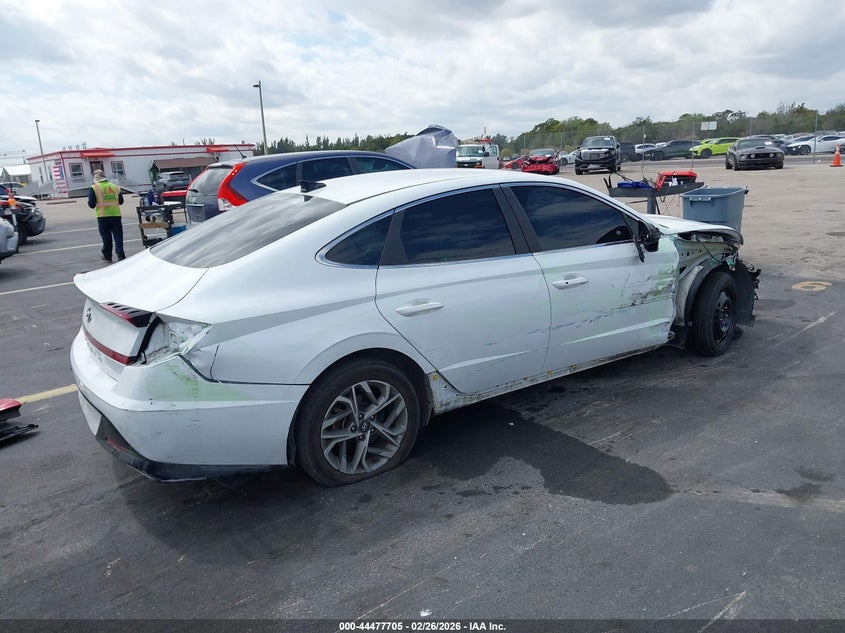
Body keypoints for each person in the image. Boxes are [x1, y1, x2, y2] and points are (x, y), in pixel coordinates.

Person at [87, 169, 125, 262]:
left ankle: (107, 255)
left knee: (106, 237)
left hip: (103, 216)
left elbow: (92, 205)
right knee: (118, 236)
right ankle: (121, 255)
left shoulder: (94, 188)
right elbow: (121, 201)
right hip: (116, 215)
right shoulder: (115, 187)